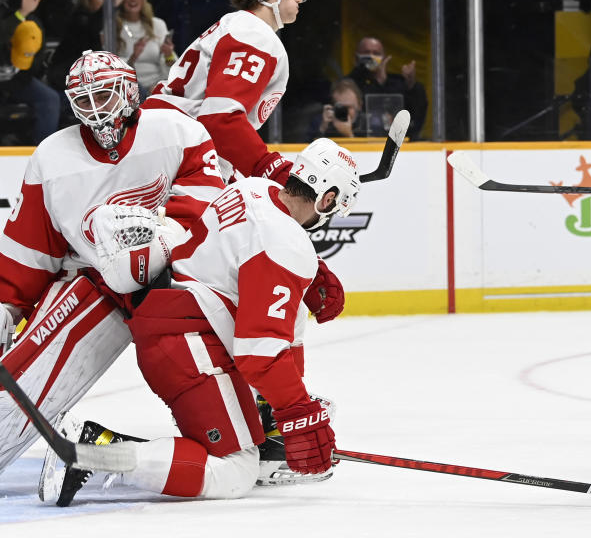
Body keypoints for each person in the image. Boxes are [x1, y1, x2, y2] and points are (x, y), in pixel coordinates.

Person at [41, 138, 360, 506]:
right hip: (189, 345)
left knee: (288, 322)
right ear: (328, 198)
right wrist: (299, 412)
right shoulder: (287, 245)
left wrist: (311, 271)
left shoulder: (254, 188)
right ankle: (91, 453)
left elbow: (253, 250)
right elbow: (259, 354)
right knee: (237, 470)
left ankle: (262, 411)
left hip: (174, 324)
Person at [0, 50, 225, 476]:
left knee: (215, 366)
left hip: (172, 284)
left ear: (127, 92)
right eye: (83, 101)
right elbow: (29, 247)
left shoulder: (176, 132)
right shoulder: (53, 158)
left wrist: (163, 241)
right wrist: (6, 304)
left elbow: (206, 208)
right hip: (96, 284)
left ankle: (253, 430)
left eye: (102, 96)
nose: (94, 110)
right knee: (26, 375)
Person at [143, 0, 307, 184]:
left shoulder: (237, 25)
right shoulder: (252, 33)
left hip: (169, 146)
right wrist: (271, 168)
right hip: (178, 154)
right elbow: (220, 118)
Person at [48, 0, 134, 93]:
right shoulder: (79, 19)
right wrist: (115, 1)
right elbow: (92, 26)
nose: (106, 1)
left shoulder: (113, 23)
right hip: (69, 83)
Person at [0, 0, 61, 143]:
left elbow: (33, 65)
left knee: (50, 99)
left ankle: (41, 153)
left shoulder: (35, 25)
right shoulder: (5, 18)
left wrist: (13, 85)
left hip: (16, 82)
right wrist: (20, 15)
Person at [347, 37, 427, 140]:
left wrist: (411, 85)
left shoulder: (397, 82)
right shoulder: (348, 84)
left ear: (384, 58)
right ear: (356, 57)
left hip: (398, 143)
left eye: (376, 53)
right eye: (366, 52)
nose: (371, 56)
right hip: (362, 141)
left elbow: (416, 114)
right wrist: (378, 82)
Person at [116, 0, 175, 100]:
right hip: (126, 88)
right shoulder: (113, 26)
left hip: (156, 87)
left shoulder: (157, 24)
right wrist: (133, 57)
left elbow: (173, 68)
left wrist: (169, 55)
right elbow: (110, 67)